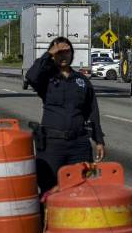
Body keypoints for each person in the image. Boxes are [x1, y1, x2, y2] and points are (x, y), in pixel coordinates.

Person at [25, 37, 106, 194]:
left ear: (72, 54)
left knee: (82, 187)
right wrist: (48, 54)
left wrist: (99, 140)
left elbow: (92, 110)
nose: (63, 55)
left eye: (66, 51)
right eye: (59, 52)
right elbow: (31, 76)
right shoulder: (46, 79)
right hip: (52, 145)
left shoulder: (81, 81)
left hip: (79, 144)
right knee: (50, 189)